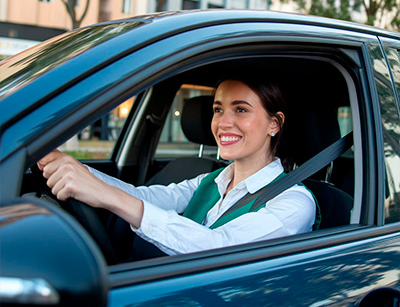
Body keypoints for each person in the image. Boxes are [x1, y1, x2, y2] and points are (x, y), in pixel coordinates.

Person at [38, 78, 316, 256]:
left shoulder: (293, 203)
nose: (223, 123)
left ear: (274, 124)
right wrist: (79, 172)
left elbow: (217, 249)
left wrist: (108, 196)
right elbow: (145, 197)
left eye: (240, 110)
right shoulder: (212, 180)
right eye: (218, 109)